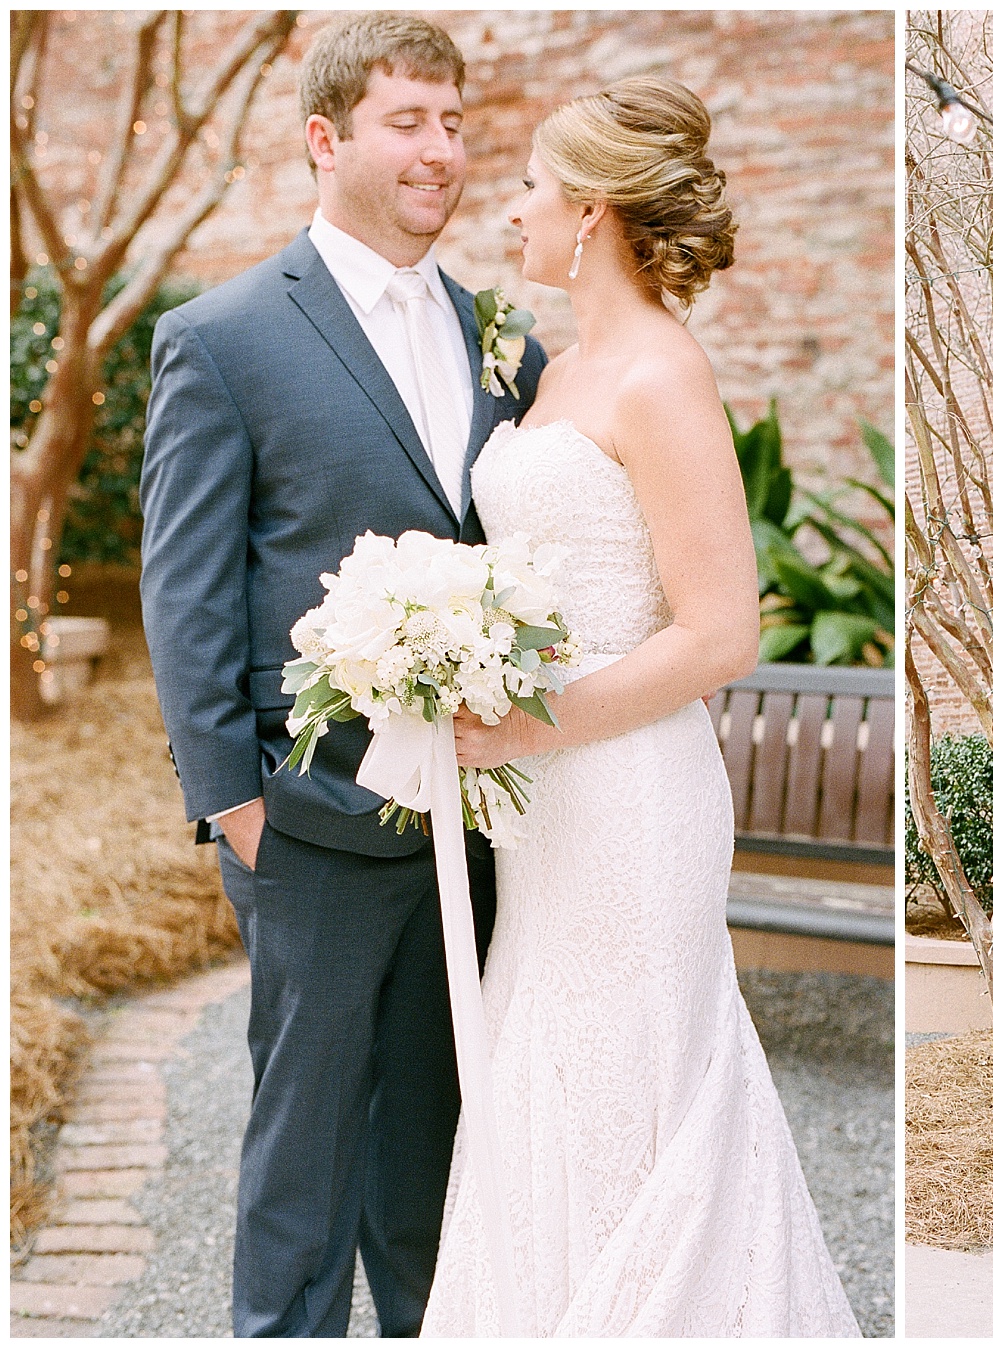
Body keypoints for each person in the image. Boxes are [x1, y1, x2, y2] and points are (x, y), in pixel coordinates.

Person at [414, 79, 859, 1336]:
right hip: (548, 801)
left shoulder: (661, 373)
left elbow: (722, 629)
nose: (509, 211)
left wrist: (529, 724)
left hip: (628, 795)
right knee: (546, 1064)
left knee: (637, 1077)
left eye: (528, 187)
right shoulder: (556, 369)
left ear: (591, 208)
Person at [140, 15, 547, 1336]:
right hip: (305, 822)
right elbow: (184, 591)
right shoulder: (226, 339)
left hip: (470, 830)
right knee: (302, 1166)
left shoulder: (503, 342)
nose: (443, 149)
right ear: (326, 140)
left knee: (437, 1164)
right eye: (408, 121)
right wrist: (236, 805)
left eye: (452, 120)